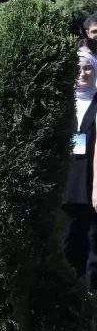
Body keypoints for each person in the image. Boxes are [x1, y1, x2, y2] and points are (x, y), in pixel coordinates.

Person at [63, 48, 97, 290]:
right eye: (78, 69)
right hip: (67, 178)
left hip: (91, 177)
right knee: (67, 236)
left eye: (88, 68)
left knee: (93, 237)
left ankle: (91, 288)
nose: (83, 73)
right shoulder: (63, 102)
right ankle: (69, 287)